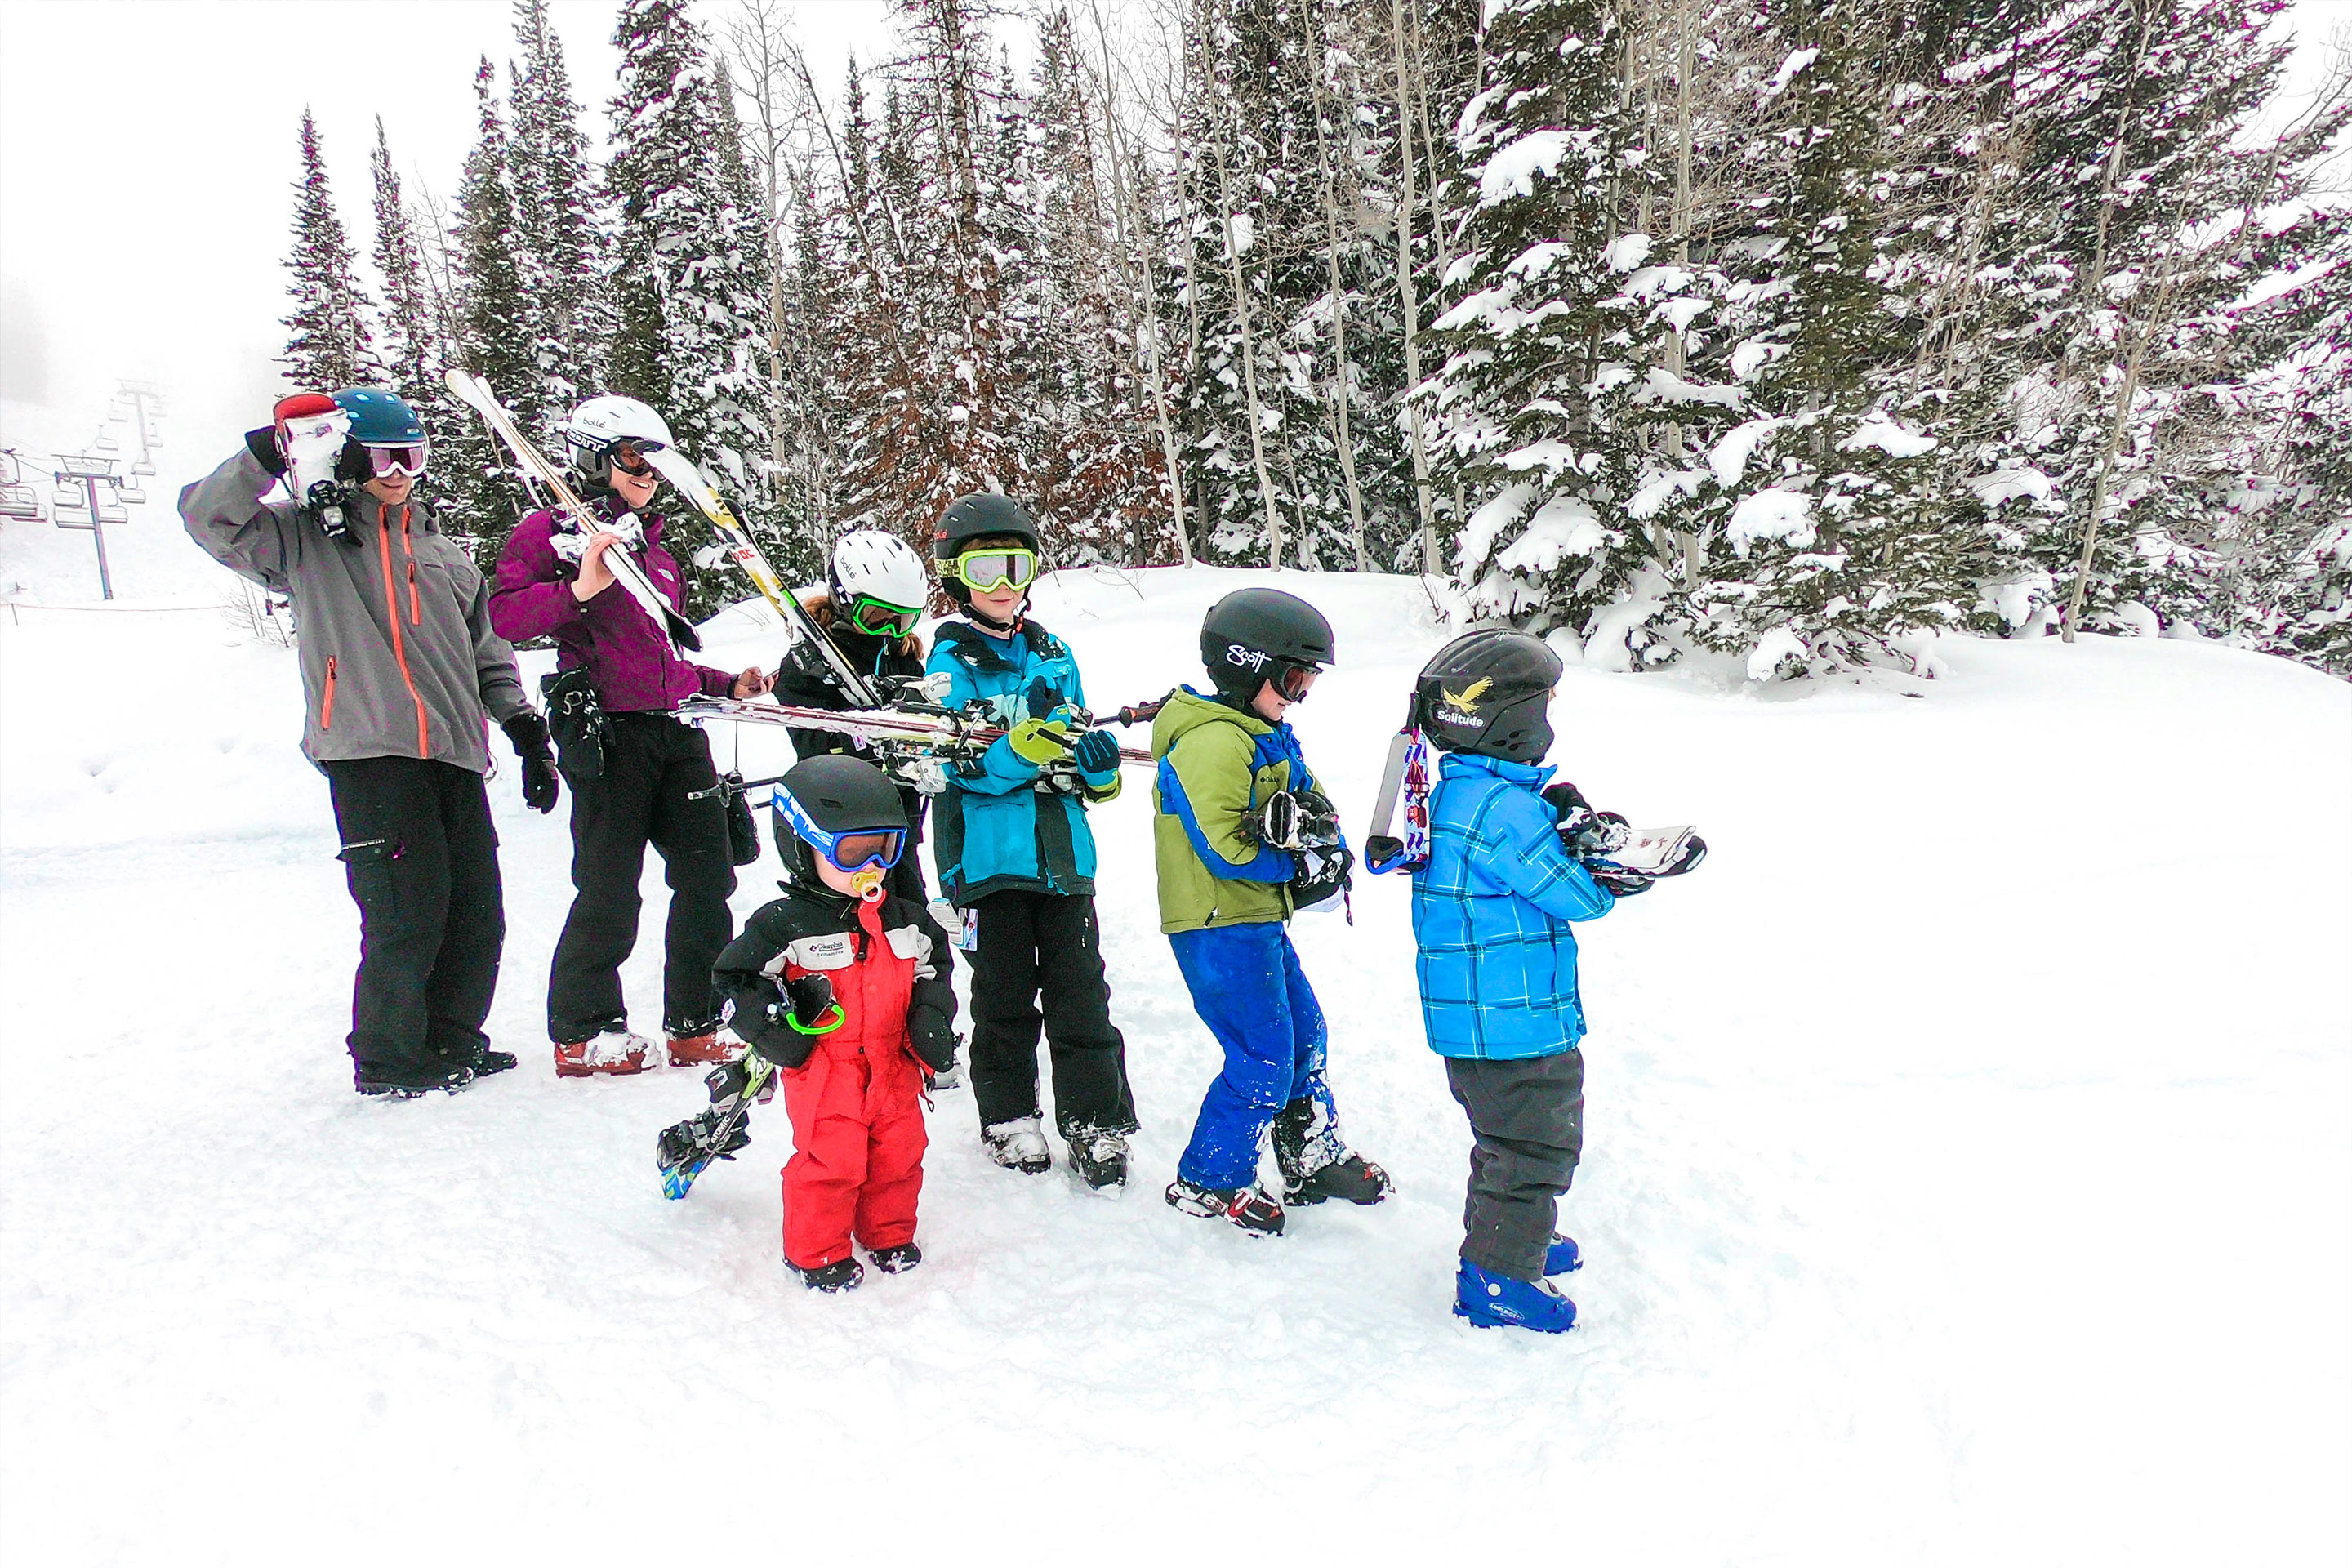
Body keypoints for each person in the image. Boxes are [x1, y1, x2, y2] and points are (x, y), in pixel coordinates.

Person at [181, 388, 557, 1098]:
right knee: (405, 912)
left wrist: (522, 727)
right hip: (367, 751)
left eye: (413, 455)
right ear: (347, 456)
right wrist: (268, 455)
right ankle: (388, 1057)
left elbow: (489, 651)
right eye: (384, 455)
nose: (400, 471)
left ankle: (452, 1039)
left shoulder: (444, 550)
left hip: (451, 751)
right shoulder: (302, 539)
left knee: (477, 912)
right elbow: (207, 517)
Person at [488, 394, 771, 1078]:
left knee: (709, 876)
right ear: (594, 455)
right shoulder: (548, 535)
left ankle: (696, 1021)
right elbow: (506, 618)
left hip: (676, 731)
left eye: (657, 460)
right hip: (607, 736)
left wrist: (723, 681)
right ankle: (584, 1030)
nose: (647, 473)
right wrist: (581, 584)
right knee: (610, 885)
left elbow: (659, 658)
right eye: (634, 457)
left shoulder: (659, 554)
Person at [1152, 588, 1391, 1235]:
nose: (1299, 693)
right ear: (1243, 663)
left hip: (1254, 917)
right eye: (1292, 677)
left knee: (1303, 1036)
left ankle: (1309, 1155)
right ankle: (1210, 1178)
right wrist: (1295, 866)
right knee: (1261, 1055)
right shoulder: (1210, 743)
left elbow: (1315, 806)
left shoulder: (1268, 735)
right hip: (1214, 924)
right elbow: (1227, 847)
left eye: (1308, 680)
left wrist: (1328, 850)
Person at [1407, 630, 1619, 1333]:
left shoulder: (1461, 794)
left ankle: (1511, 1232)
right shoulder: (1504, 809)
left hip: (1475, 1022)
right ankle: (1497, 1276)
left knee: (1504, 1137)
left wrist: (1562, 822)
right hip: (1518, 1021)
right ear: (1512, 723)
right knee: (1538, 1145)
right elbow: (1580, 898)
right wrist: (1604, 862)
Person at [924, 493, 1136, 1189]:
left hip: (1063, 858)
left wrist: (1097, 773)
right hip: (987, 863)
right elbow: (957, 767)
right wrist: (1019, 751)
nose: (1003, 585)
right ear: (958, 578)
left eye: (1016, 566)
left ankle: (1095, 1119)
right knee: (1004, 996)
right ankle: (1010, 1115)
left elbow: (1078, 765)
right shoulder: (949, 664)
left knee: (1082, 995)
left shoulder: (1054, 653)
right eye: (986, 570)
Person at [710, 755, 959, 1292]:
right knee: (833, 1161)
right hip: (828, 1068)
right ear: (803, 844)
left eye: (885, 848)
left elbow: (934, 970)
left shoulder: (908, 919)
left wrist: (932, 1015)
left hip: (895, 1064)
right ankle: (816, 1252)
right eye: (852, 852)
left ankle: (887, 1233)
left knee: (900, 1152)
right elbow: (734, 978)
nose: (871, 866)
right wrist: (775, 1033)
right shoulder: (786, 924)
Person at [768, 529, 934, 908]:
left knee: (910, 918)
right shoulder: (809, 666)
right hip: (836, 835)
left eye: (903, 620)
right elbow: (812, 744)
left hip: (897, 825)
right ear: (844, 600)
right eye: (877, 617)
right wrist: (869, 736)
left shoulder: (903, 658)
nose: (891, 630)